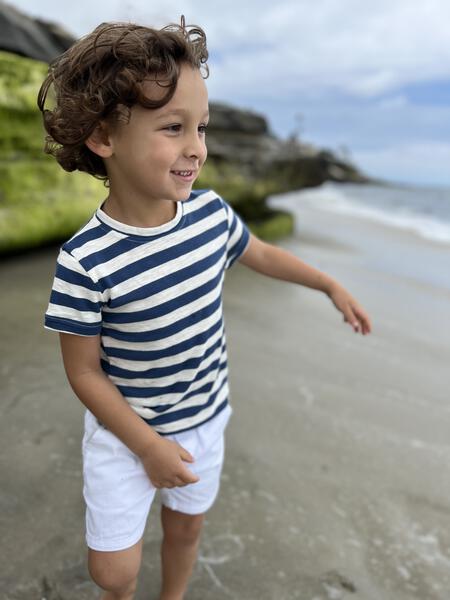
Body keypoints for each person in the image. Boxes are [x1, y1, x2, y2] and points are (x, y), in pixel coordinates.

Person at [39, 16, 372, 600]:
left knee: (186, 528)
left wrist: (327, 284)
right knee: (112, 574)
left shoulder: (212, 216)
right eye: (174, 127)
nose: (197, 147)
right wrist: (146, 446)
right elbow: (83, 373)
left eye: (202, 127)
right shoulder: (86, 261)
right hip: (127, 435)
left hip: (203, 416)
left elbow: (262, 253)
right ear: (103, 138)